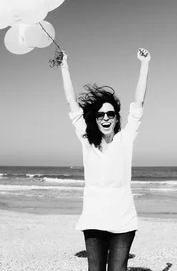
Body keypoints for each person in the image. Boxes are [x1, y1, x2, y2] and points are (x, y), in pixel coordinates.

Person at [60, 48, 151, 271]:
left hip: (123, 221)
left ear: (116, 118)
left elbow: (138, 104)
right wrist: (64, 67)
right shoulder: (86, 140)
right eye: (101, 115)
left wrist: (145, 63)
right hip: (93, 220)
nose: (106, 118)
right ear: (95, 119)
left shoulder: (125, 139)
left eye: (110, 114)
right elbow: (72, 104)